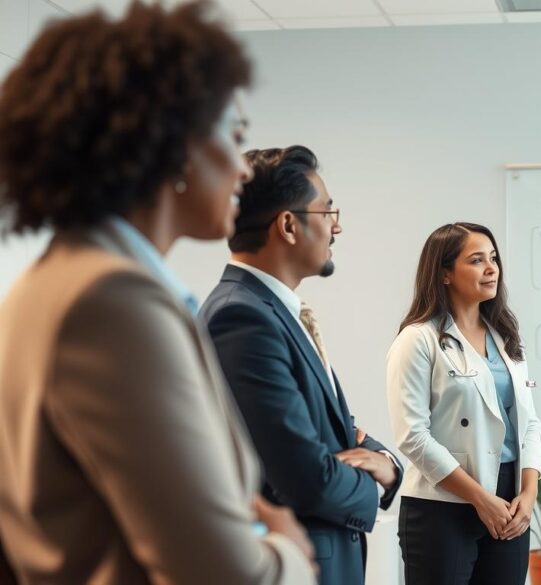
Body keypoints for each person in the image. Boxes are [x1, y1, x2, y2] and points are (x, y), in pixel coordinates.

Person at [0, 3, 316, 583]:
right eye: (235, 133)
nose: (243, 171)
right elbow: (222, 574)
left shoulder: (54, 282)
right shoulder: (113, 302)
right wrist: (291, 549)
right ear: (175, 145)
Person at [201, 145, 402, 585]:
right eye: (328, 213)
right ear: (289, 225)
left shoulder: (273, 311)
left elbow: (338, 432)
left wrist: (389, 462)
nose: (338, 227)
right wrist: (375, 484)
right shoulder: (242, 317)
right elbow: (304, 477)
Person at [386, 223, 541, 585]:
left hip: (509, 501)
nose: (491, 268)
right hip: (442, 504)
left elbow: (530, 423)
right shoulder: (417, 340)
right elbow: (412, 435)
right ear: (444, 273)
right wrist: (479, 498)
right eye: (476, 260)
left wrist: (528, 493)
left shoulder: (507, 338)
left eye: (493, 259)